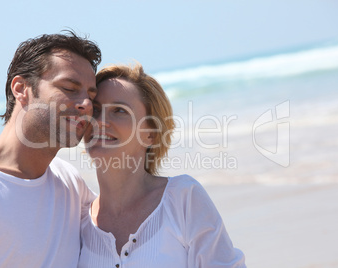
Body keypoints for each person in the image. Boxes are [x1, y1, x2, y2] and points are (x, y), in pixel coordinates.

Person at [0, 31, 101, 267]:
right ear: (21, 89)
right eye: (70, 89)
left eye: (91, 95)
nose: (86, 104)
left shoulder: (70, 183)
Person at [78, 63, 246, 267]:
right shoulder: (79, 220)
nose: (100, 121)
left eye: (119, 111)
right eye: (95, 110)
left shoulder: (182, 199)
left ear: (151, 135)